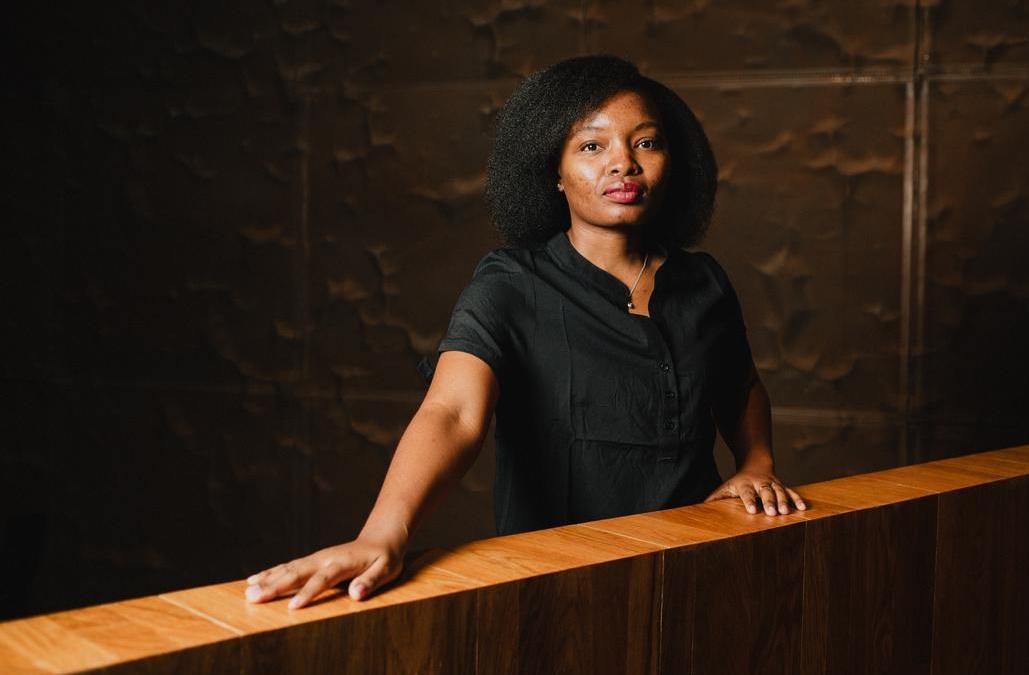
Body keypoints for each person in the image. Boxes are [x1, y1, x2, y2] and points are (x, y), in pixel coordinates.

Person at [244, 54, 806, 610]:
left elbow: (741, 384)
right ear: (553, 173)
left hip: (696, 571)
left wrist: (757, 463)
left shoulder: (703, 280)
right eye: (592, 146)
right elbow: (453, 413)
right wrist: (383, 534)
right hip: (560, 591)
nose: (623, 164)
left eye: (646, 143)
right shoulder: (511, 284)